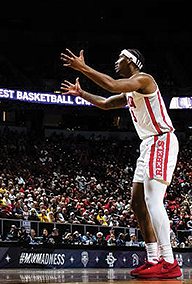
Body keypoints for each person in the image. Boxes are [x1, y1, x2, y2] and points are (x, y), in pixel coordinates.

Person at [61, 48, 181, 279]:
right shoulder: (130, 90)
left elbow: (112, 86)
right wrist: (82, 93)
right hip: (147, 145)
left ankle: (169, 261)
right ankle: (153, 258)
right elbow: (106, 103)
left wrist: (84, 68)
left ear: (132, 62)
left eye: (120, 59)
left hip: (161, 139)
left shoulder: (144, 79)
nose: (116, 62)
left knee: (153, 200)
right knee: (138, 203)